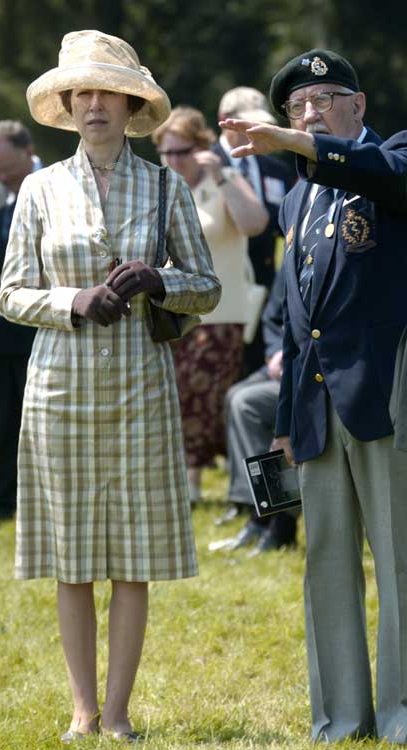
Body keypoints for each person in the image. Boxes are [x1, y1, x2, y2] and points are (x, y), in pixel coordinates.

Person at [0, 30, 221, 744]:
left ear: (131, 106)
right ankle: (81, 712)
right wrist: (72, 302)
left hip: (138, 388)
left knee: (134, 557)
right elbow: (9, 295)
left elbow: (207, 289)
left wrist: (161, 279)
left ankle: (119, 714)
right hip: (59, 387)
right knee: (71, 559)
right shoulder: (39, 186)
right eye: (82, 92)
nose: (94, 104)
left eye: (107, 93)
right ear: (68, 105)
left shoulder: (165, 186)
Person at [220, 48, 407, 743]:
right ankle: (341, 717)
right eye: (298, 104)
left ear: (358, 106)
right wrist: (285, 424)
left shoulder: (391, 157)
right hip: (320, 409)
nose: (310, 111)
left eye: (326, 97)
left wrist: (298, 143)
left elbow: (385, 174)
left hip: (386, 397)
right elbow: (303, 323)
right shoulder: (297, 199)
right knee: (327, 565)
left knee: (399, 562)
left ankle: (401, 714)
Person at [152, 106, 269, 502]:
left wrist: (220, 173)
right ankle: (190, 483)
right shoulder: (161, 188)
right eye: (166, 153)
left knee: (205, 396)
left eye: (182, 152)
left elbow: (255, 224)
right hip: (173, 312)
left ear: (200, 148)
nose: (174, 161)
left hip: (222, 311)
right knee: (178, 395)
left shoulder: (224, 179)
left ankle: (194, 484)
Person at [214, 87, 294, 376]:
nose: (253, 129)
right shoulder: (203, 164)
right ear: (224, 120)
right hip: (220, 298)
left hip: (268, 294)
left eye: (258, 121)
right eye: (245, 121)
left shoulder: (277, 168)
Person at [222, 266, 298, 555]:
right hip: (283, 362)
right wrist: (275, 352)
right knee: (233, 396)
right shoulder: (296, 237)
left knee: (246, 404)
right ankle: (258, 510)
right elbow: (274, 315)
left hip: (312, 369)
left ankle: (278, 521)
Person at [0, 121, 41, 524]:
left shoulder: (51, 187)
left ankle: (40, 503)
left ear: (27, 152)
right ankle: (6, 500)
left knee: (37, 423)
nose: (1, 177)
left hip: (41, 329)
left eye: (6, 168)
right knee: (0, 421)